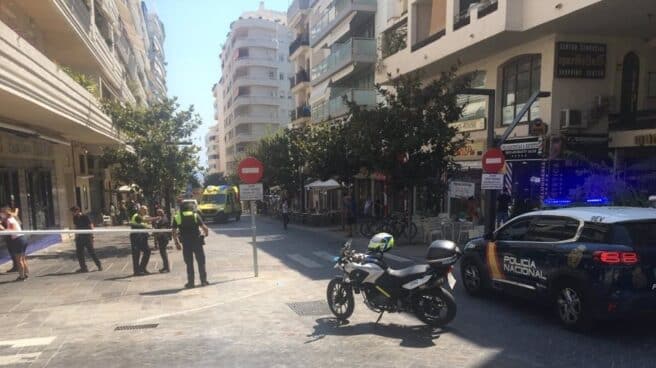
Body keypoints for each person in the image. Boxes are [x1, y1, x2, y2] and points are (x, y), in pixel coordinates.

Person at [173, 201, 209, 288]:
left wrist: (177, 243)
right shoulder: (195, 215)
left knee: (189, 263)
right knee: (201, 262)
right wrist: (205, 234)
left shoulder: (177, 217)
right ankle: (203, 281)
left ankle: (191, 283)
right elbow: (204, 228)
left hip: (186, 243)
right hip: (197, 242)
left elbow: (173, 232)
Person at [70, 206, 102, 273]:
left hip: (87, 237)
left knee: (91, 252)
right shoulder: (74, 218)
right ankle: (83, 268)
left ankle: (99, 265)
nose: (72, 213)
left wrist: (92, 236)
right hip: (79, 238)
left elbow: (91, 225)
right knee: (79, 253)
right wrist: (76, 237)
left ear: (77, 211)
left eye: (73, 212)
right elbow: (76, 227)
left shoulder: (85, 216)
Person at [0, 206, 28, 281]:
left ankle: (22, 276)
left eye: (1, 212)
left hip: (17, 240)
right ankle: (25, 273)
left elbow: (12, 230)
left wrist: (2, 229)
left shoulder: (10, 220)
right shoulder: (12, 218)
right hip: (22, 238)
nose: (1, 214)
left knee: (19, 260)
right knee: (22, 258)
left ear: (5, 213)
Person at [129, 205, 152, 276]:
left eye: (146, 210)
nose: (146, 211)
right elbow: (136, 224)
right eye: (144, 210)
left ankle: (142, 268)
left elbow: (147, 223)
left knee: (147, 251)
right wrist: (147, 226)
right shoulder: (136, 216)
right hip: (136, 237)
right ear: (140, 210)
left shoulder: (144, 216)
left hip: (143, 236)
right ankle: (136, 271)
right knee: (136, 254)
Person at [153, 208, 171, 273]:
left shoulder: (164, 219)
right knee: (162, 253)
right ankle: (165, 267)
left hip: (163, 238)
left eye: (159, 212)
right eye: (158, 212)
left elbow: (163, 229)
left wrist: (158, 236)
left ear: (162, 213)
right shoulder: (161, 218)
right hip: (161, 238)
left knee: (163, 253)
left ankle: (167, 268)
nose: (158, 214)